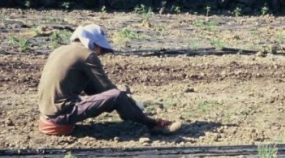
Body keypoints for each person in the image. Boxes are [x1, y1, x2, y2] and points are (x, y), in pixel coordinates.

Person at [37, 24, 182, 136]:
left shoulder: (59, 50)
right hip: (62, 115)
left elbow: (92, 88)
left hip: (47, 113)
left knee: (103, 89)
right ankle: (153, 124)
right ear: (92, 43)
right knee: (117, 96)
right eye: (101, 48)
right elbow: (108, 90)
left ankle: (136, 114)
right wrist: (127, 100)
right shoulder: (87, 55)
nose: (100, 53)